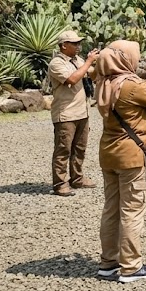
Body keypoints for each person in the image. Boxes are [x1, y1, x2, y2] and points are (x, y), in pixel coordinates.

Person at [95, 40, 146, 283]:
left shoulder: (105, 82)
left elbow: (135, 93)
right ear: (123, 59)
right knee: (131, 210)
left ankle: (108, 263)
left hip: (109, 154)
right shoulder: (129, 85)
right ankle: (131, 267)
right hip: (131, 156)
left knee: (111, 209)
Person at [46, 30, 100, 197]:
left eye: (79, 43)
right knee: (63, 149)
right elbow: (72, 79)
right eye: (74, 43)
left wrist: (98, 63)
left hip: (82, 112)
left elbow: (92, 74)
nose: (78, 46)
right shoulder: (56, 63)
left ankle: (77, 178)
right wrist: (89, 61)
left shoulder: (78, 60)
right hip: (66, 114)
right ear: (63, 45)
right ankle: (60, 184)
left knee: (80, 148)